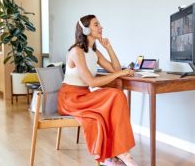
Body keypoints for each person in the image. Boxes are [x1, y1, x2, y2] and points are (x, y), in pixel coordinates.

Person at [57, 14, 138, 166]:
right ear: (86, 30)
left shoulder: (94, 52)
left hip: (84, 95)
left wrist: (109, 47)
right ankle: (117, 154)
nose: (101, 27)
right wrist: (120, 73)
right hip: (70, 99)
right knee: (115, 95)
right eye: (96, 24)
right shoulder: (76, 52)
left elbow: (115, 68)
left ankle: (120, 152)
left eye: (99, 24)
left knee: (117, 95)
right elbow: (91, 81)